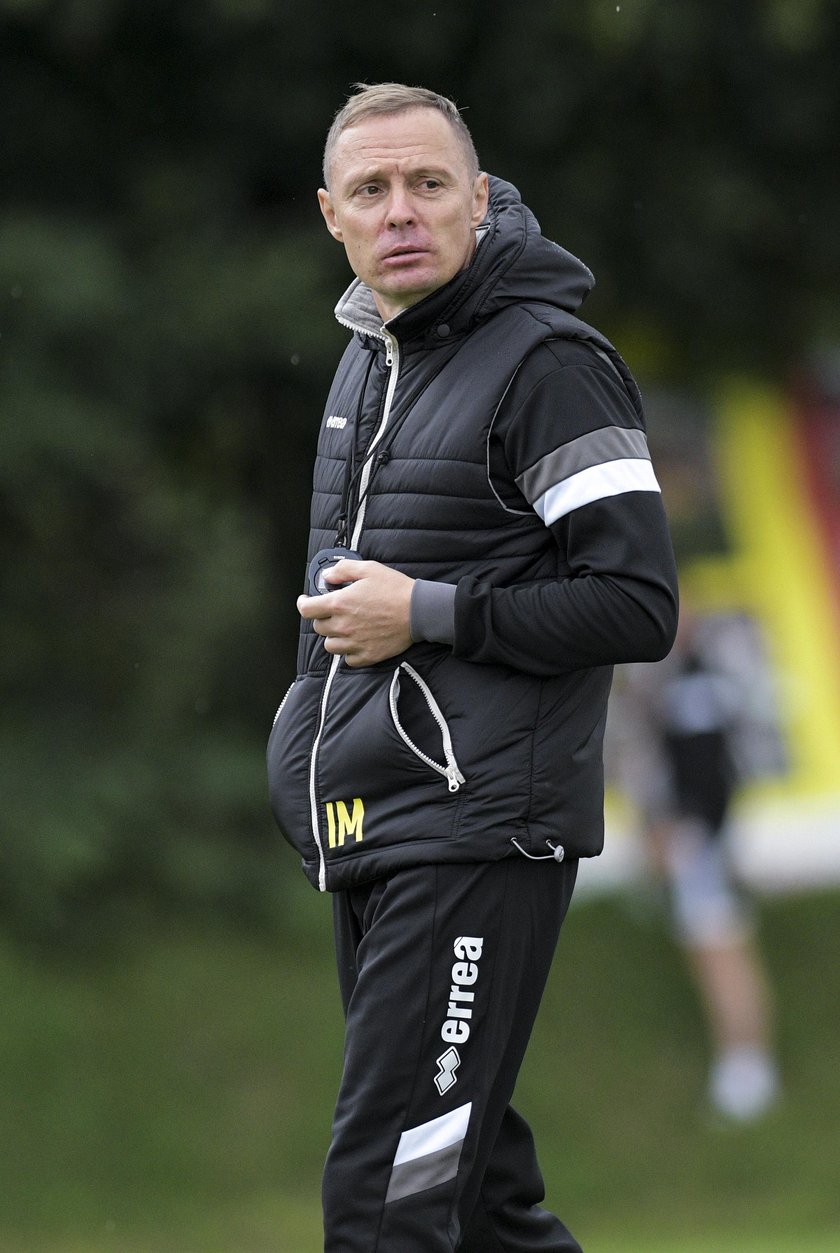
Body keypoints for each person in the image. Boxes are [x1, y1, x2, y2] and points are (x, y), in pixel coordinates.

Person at [267, 82, 678, 1252]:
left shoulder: (548, 361)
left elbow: (637, 602)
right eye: (372, 190)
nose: (402, 210)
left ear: (478, 198)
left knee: (390, 1202)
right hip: (376, 826)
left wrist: (430, 613)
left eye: (429, 184)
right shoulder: (370, 361)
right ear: (330, 215)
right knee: (482, 1206)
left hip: (475, 830)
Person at [609, 611, 780, 1124]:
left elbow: (711, 767)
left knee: (720, 947)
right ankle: (744, 1060)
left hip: (700, 836)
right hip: (693, 834)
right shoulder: (664, 676)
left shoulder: (701, 676)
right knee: (711, 943)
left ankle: (747, 1062)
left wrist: (689, 831)